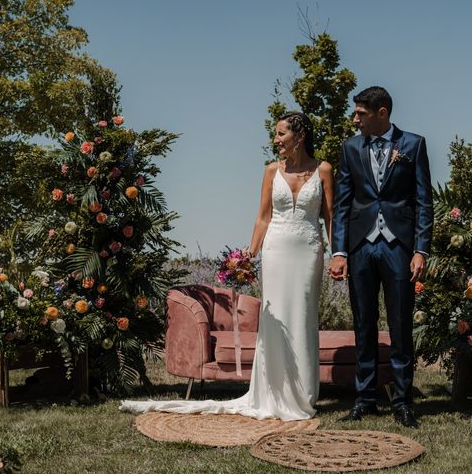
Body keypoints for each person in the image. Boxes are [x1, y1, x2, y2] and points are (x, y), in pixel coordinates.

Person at [121, 112, 334, 421]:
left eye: (281, 134)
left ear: (299, 136)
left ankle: (302, 395)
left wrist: (338, 253)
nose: (275, 140)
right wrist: (247, 257)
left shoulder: (324, 169)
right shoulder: (271, 171)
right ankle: (273, 391)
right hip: (275, 250)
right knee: (275, 321)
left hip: (308, 249)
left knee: (302, 317)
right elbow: (263, 218)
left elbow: (331, 217)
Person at [329, 86, 433, 428]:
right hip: (360, 247)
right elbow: (342, 203)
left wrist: (420, 249)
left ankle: (403, 402)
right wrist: (340, 251)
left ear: (382, 113)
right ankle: (365, 399)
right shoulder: (350, 147)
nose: (355, 118)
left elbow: (423, 202)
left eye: (361, 113)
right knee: (364, 324)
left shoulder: (413, 145)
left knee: (400, 325)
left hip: (398, 248)